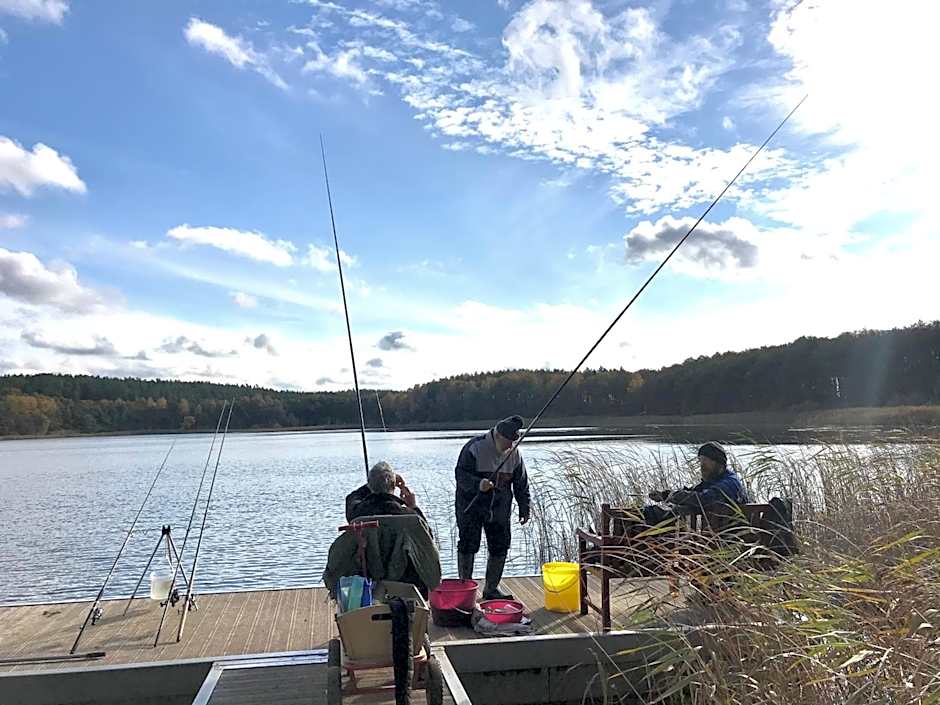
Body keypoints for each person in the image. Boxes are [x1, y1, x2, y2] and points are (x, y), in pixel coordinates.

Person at [454, 415, 531, 600]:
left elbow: (521, 483)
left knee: (500, 546)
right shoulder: (474, 448)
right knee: (468, 545)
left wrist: (524, 506)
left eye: (514, 442)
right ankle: (466, 587)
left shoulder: (514, 455)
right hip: (471, 506)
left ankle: (491, 589)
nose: (510, 446)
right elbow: (460, 475)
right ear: (497, 435)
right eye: (508, 442)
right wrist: (478, 484)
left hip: (500, 508)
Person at [644, 442, 748, 527]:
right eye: (700, 460)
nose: (702, 465)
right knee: (659, 513)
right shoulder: (714, 480)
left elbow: (704, 499)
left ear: (719, 463)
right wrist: (665, 495)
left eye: (706, 460)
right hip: (717, 534)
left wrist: (672, 496)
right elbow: (693, 493)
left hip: (729, 538)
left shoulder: (730, 482)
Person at [345, 461, 425, 522]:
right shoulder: (409, 515)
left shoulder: (357, 513)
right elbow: (427, 537)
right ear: (394, 486)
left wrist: (373, 481)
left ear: (370, 485)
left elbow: (352, 497)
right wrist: (413, 506)